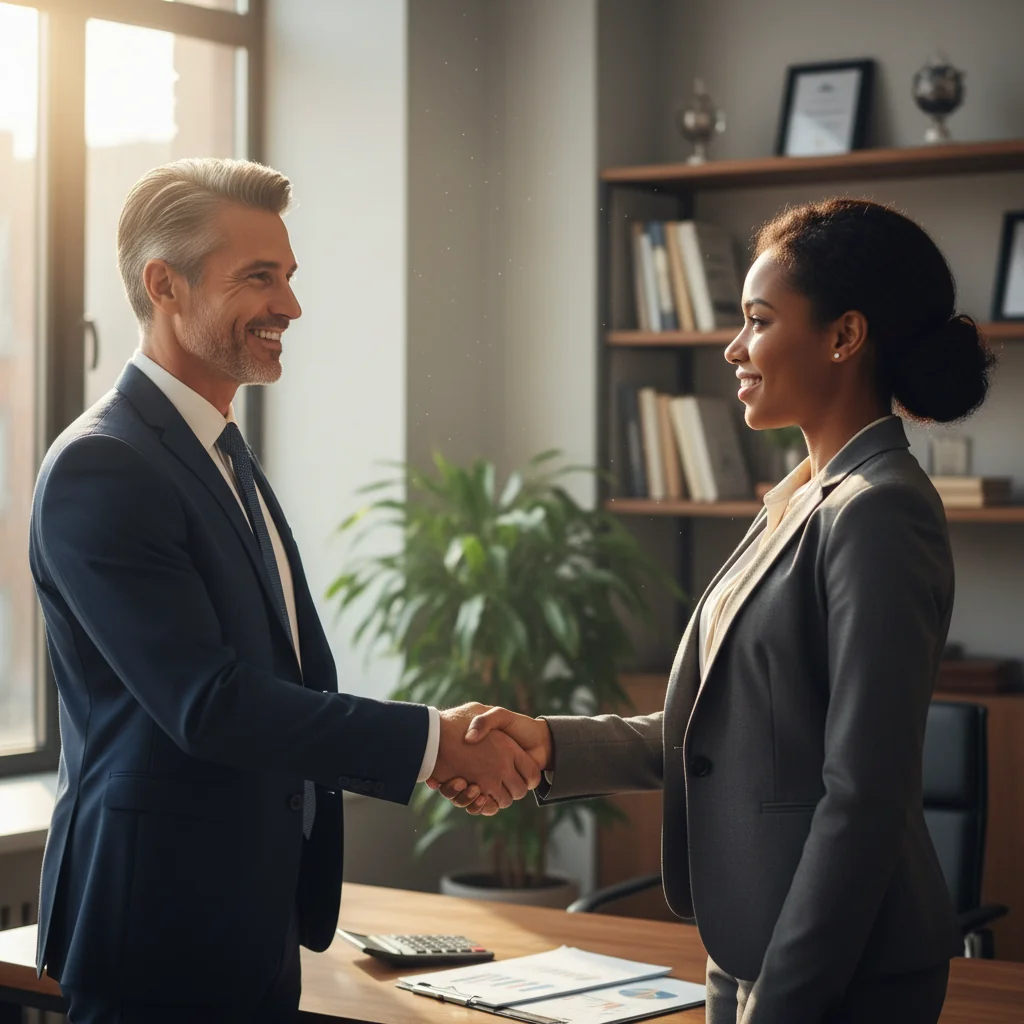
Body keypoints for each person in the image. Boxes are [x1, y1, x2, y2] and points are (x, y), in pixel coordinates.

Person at [433, 198, 996, 1024]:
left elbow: (864, 795)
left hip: (835, 972)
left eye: (758, 322)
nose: (733, 348)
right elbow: (720, 736)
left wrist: (785, 997)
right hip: (750, 951)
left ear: (844, 336)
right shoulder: (799, 498)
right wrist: (550, 742)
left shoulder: (879, 509)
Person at [29, 157, 541, 1024]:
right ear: (165, 285)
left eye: (289, 276)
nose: (291, 306)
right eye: (258, 277)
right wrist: (430, 744)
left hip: (253, 921)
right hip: (159, 934)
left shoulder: (218, 450)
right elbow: (208, 704)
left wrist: (432, 745)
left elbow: (280, 674)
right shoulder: (104, 466)